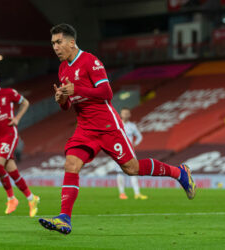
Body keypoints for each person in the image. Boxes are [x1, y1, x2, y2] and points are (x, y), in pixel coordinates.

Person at [38, 23, 196, 235]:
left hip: (107, 127)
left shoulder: (90, 61)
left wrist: (78, 88)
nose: (55, 47)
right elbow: (68, 105)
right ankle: (64, 218)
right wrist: (62, 99)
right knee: (71, 164)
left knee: (131, 169)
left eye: (58, 42)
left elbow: (106, 92)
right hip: (85, 128)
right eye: (53, 43)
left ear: (71, 42)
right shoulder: (63, 69)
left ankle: (179, 172)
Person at [0, 69, 40, 217]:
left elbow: (25, 103)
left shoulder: (8, 93)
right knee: (12, 171)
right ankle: (32, 198)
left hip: (9, 134)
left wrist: (17, 118)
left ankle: (11, 198)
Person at [115, 107, 148, 200]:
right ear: (120, 114)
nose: (125, 115)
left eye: (127, 113)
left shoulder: (132, 126)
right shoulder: (116, 124)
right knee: (120, 172)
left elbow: (139, 137)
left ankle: (137, 193)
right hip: (119, 151)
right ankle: (122, 193)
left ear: (129, 115)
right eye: (124, 113)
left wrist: (134, 144)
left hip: (130, 152)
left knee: (134, 171)